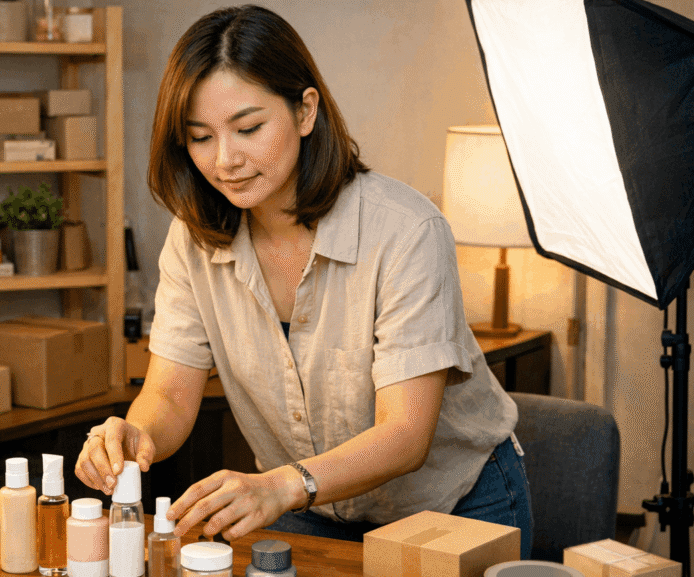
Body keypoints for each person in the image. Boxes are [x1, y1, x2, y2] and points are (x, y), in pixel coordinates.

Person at [74, 4, 533, 557]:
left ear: (305, 110)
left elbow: (406, 434)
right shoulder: (192, 241)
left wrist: (279, 485)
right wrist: (135, 434)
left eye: (248, 129)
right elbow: (169, 395)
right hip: (309, 508)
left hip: (453, 503)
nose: (225, 160)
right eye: (199, 137)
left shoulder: (406, 230)